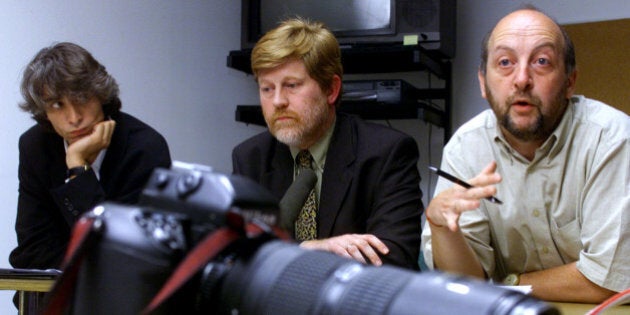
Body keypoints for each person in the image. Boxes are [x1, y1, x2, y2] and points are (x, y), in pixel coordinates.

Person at [421, 6, 629, 303]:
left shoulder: (611, 138)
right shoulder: (465, 148)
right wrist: (442, 229)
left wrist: (508, 282)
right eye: (505, 62)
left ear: (570, 81)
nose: (521, 79)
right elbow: (466, 285)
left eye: (542, 61)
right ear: (483, 82)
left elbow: (611, 281)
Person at [232, 18, 423, 270]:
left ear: (331, 90)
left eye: (291, 85)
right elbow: (235, 253)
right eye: (267, 89)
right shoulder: (250, 157)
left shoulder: (387, 152)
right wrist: (307, 250)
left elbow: (394, 257)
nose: (277, 101)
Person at [9, 42, 172, 272]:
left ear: (101, 96)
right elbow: (32, 252)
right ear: (44, 111)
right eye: (57, 105)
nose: (74, 118)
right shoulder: (35, 146)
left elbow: (124, 254)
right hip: (57, 295)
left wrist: (78, 168)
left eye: (82, 98)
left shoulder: (145, 148)